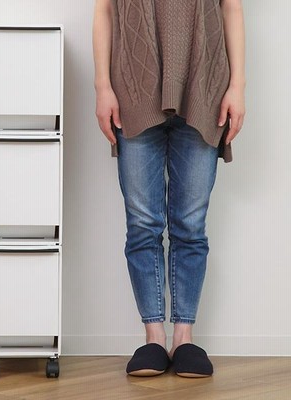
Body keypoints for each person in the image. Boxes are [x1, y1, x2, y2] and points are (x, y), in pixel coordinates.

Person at [93, 0, 246, 378]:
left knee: (190, 225)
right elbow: (103, 10)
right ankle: (153, 338)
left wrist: (237, 86)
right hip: (133, 88)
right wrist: (102, 87)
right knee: (142, 223)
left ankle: (183, 337)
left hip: (204, 87)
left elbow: (232, 7)